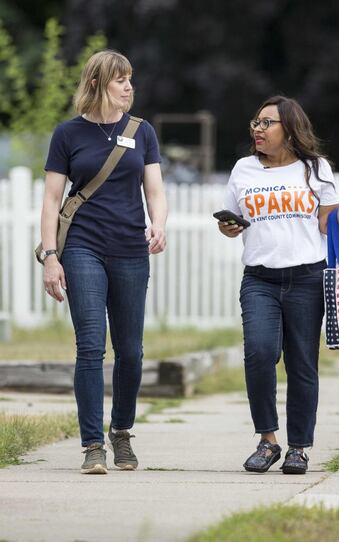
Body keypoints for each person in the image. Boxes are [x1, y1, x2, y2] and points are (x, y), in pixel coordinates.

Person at [218, 95, 339, 474]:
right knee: (259, 353)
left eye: (266, 124)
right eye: (255, 123)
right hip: (259, 278)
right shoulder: (244, 169)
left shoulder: (315, 169)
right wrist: (227, 226)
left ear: (289, 130)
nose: (257, 130)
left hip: (306, 278)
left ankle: (299, 449)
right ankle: (267, 441)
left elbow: (329, 226)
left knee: (302, 364)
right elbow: (232, 224)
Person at [40, 50, 167, 474]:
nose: (129, 86)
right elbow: (51, 201)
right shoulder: (67, 134)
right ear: (96, 84)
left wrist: (159, 224)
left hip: (131, 249)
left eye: (130, 79)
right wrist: (50, 257)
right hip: (82, 248)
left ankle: (122, 432)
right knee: (91, 346)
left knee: (130, 351)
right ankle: (93, 444)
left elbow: (156, 191)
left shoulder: (142, 131)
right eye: (120, 80)